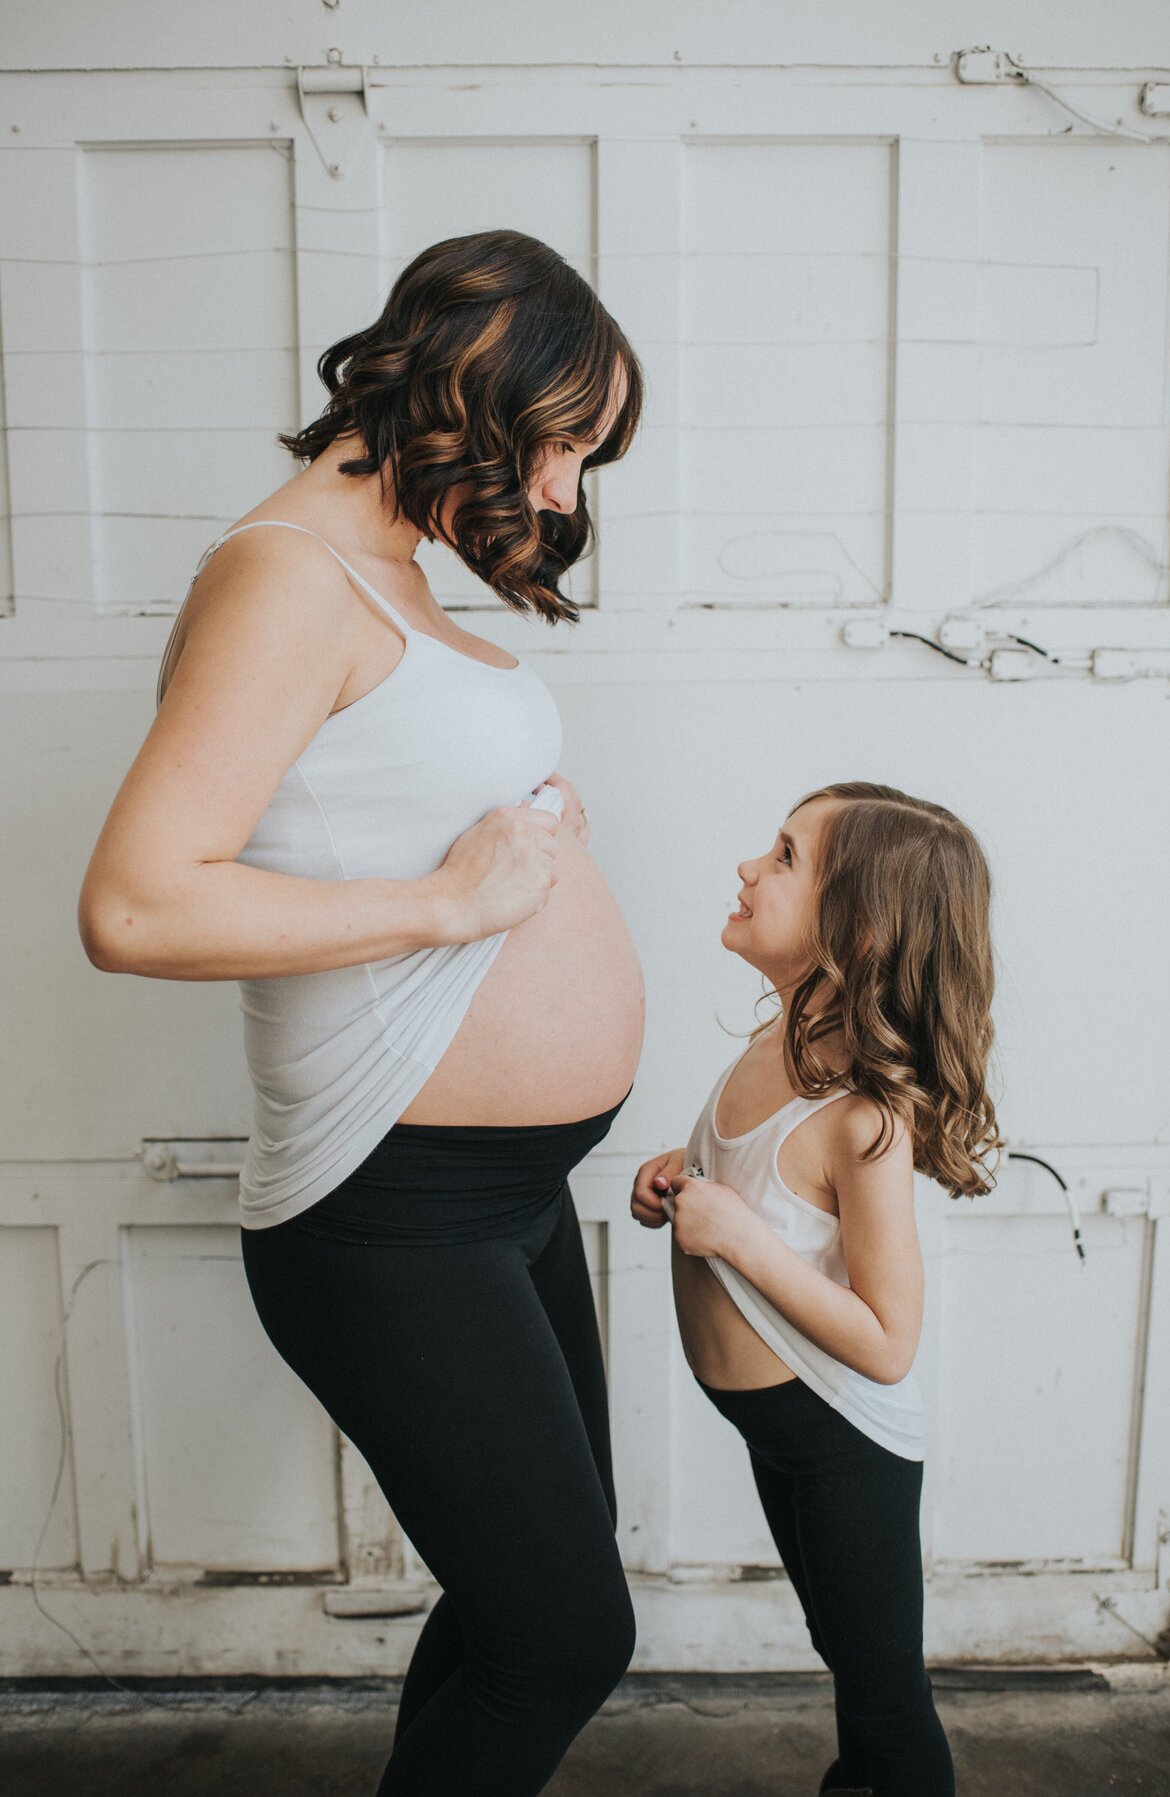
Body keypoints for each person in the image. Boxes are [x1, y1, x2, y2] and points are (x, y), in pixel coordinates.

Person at [78, 229, 647, 1795]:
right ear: (475, 385)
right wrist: (446, 901)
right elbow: (135, 903)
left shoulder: (382, 572)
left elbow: (367, 799)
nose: (561, 500)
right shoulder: (284, 576)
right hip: (391, 1205)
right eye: (563, 447)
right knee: (563, 1635)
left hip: (496, 1193)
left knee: (530, 1596)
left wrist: (523, 828)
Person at [632, 782, 1000, 1797]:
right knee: (846, 1651)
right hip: (781, 1434)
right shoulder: (771, 1046)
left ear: (861, 927)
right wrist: (678, 1176)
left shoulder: (863, 1122)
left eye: (786, 856)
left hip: (846, 1442)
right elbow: (759, 1195)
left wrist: (740, 1238)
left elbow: (886, 1342)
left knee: (884, 1697)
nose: (750, 866)